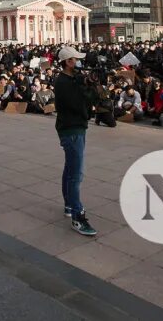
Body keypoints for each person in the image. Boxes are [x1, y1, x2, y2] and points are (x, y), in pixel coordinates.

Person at [54, 45, 98, 236]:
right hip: (72, 129)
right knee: (76, 174)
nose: (78, 62)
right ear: (68, 62)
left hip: (74, 127)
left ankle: (69, 205)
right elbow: (80, 104)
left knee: (70, 168)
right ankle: (77, 217)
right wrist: (86, 87)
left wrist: (86, 84)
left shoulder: (70, 79)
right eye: (75, 59)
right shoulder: (63, 82)